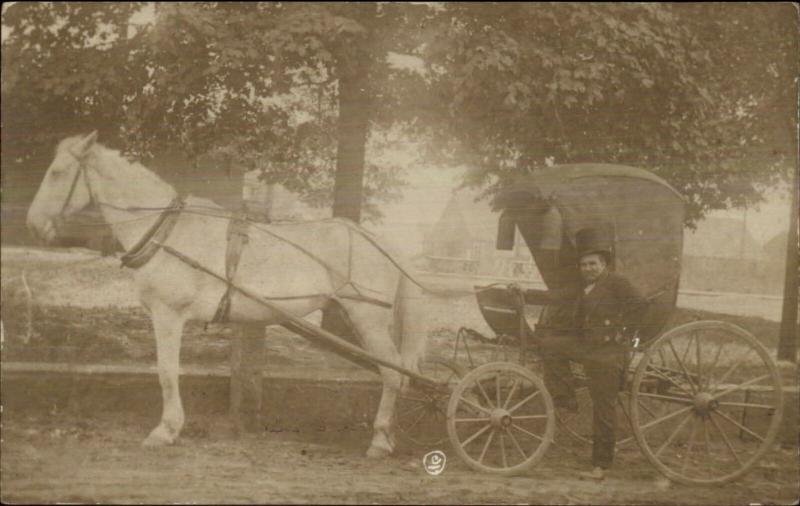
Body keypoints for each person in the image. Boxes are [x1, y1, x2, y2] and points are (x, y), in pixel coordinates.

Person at [510, 227, 649, 481]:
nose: (588, 268)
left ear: (603, 263)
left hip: (608, 353)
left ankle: (601, 465)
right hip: (586, 347)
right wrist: (526, 293)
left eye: (592, 264)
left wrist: (627, 335)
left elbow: (642, 307)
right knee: (549, 344)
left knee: (603, 409)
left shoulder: (618, 283)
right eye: (584, 264)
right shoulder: (582, 286)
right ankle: (566, 397)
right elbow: (556, 296)